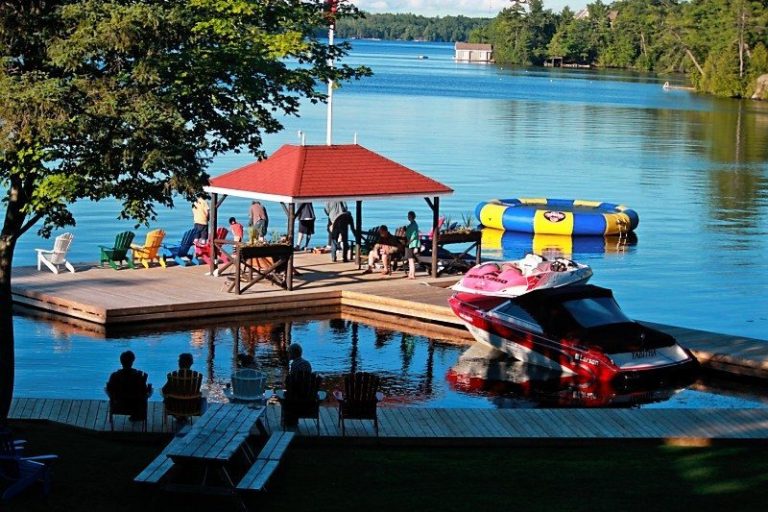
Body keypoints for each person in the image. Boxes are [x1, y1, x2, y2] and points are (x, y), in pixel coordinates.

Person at [106, 350, 152, 421]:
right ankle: (136, 416)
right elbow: (144, 392)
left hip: (119, 406)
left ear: (121, 362)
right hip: (136, 407)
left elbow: (109, 390)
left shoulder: (114, 376)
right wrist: (150, 390)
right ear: (132, 361)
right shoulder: (138, 376)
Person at [404, 211, 419, 279]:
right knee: (410, 259)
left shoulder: (414, 225)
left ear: (411, 217)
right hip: (411, 243)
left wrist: (409, 241)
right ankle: (410, 273)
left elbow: (414, 234)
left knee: (411, 259)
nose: (408, 217)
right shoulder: (412, 224)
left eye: (409, 216)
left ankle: (412, 274)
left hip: (411, 244)